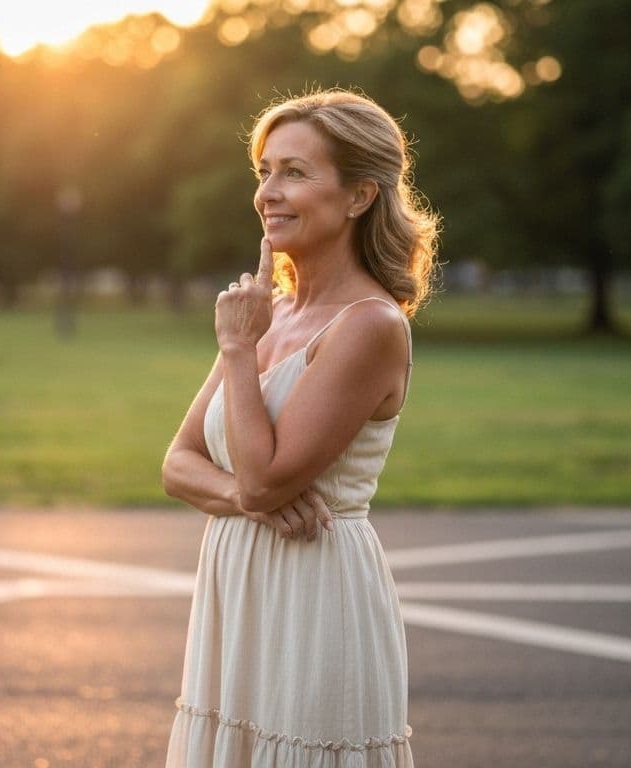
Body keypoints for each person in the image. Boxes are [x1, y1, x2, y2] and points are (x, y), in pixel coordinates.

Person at [161, 88, 439, 767]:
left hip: (315, 595)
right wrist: (244, 499)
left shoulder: (370, 326)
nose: (268, 193)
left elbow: (262, 479)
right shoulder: (269, 313)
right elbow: (177, 463)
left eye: (294, 172)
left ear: (358, 196)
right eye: (264, 171)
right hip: (238, 588)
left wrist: (235, 351)